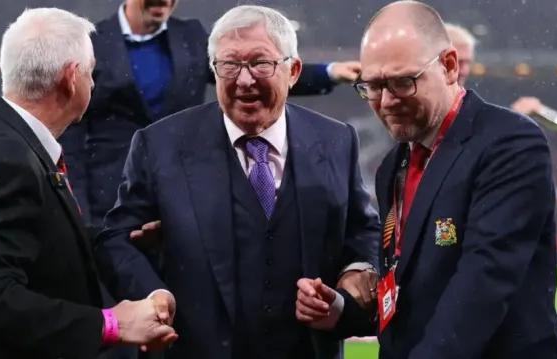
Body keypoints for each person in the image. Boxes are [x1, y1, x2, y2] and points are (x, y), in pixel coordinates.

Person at [94, 5, 380, 359]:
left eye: (261, 63)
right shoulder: (160, 145)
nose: (244, 80)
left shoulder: (337, 140)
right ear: (213, 70)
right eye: (229, 65)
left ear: (292, 71)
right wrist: (153, 294)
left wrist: (357, 272)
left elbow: (363, 230)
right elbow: (116, 239)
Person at [296, 1, 557, 358]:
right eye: (373, 86)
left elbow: (483, 284)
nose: (387, 101)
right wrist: (342, 310)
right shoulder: (395, 164)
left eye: (403, 82)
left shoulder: (509, 142)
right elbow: (405, 288)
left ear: (450, 66)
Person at [0, 8, 176, 359]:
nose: (93, 82)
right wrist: (110, 324)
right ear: (72, 78)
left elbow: (39, 241)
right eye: (91, 73)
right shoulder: (8, 160)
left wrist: (128, 239)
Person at [59, 0, 364, 232]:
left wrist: (329, 72)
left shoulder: (189, 36)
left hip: (182, 184)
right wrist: (80, 212)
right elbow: (73, 135)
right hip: (113, 192)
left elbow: (254, 75)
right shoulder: (94, 41)